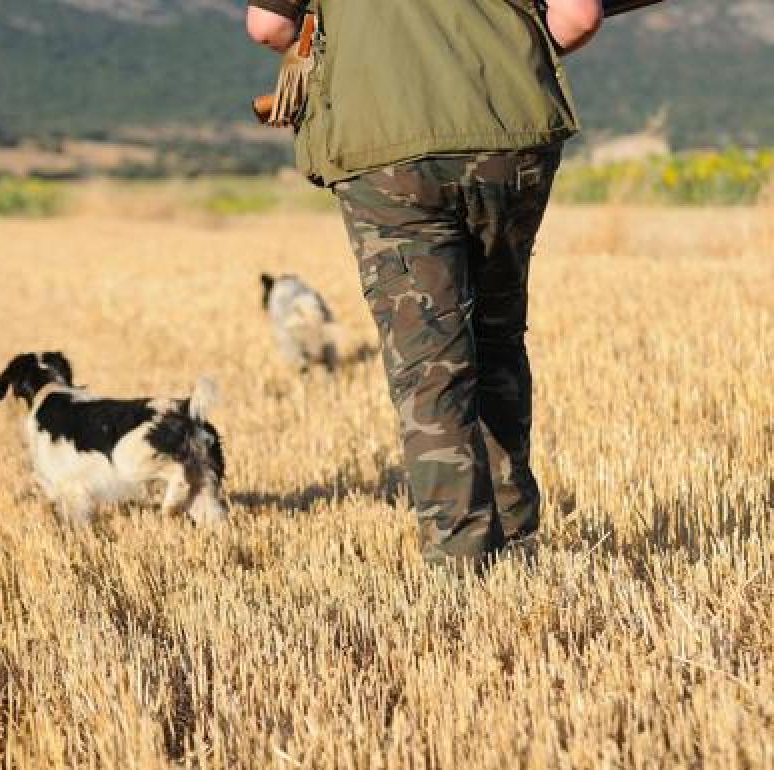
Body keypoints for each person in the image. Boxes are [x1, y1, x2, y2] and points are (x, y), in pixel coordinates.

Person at [246, 0, 602, 572]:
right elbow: (578, 17)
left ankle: (462, 565)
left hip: (386, 150)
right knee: (497, 338)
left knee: (429, 362)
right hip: (510, 136)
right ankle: (518, 543)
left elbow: (268, 26)